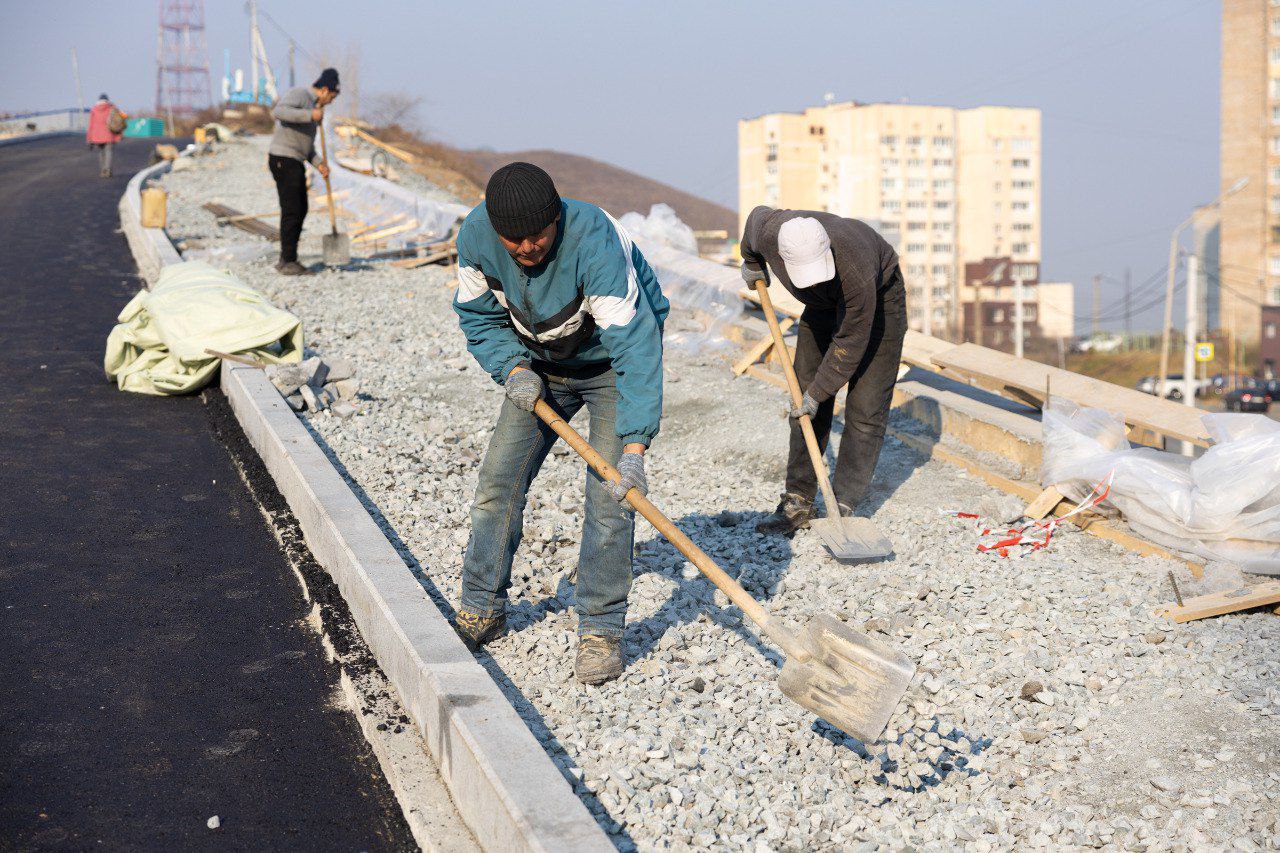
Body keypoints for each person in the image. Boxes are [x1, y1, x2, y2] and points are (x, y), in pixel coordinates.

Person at [451, 162, 669, 685]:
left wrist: (635, 448)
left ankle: (600, 630)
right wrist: (512, 367)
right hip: (538, 366)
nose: (527, 249)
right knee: (497, 483)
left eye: (537, 236)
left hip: (610, 368)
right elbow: (478, 316)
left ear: (556, 218)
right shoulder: (476, 236)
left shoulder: (595, 240)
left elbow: (636, 348)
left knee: (611, 499)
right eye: (514, 241)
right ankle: (482, 605)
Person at [739, 207, 906, 535]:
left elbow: (850, 343)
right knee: (803, 405)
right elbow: (753, 223)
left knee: (866, 406)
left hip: (880, 300)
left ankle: (842, 504)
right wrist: (752, 264)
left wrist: (819, 392)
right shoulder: (769, 231)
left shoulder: (855, 267)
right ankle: (798, 498)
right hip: (821, 304)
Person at [268, 67, 339, 275]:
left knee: (300, 208)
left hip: (295, 160)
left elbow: (306, 148)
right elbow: (279, 112)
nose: (331, 101)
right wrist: (310, 114)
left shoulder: (315, 111)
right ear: (325, 90)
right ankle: (287, 261)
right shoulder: (301, 95)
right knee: (292, 209)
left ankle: (289, 257)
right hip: (283, 158)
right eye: (332, 97)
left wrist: (319, 163)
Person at [86, 94, 125, 178]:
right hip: (109, 135)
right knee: (108, 153)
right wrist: (120, 134)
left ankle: (103, 170)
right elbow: (119, 121)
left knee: (101, 153)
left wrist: (89, 138)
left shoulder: (94, 109)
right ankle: (107, 170)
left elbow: (91, 125)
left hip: (97, 136)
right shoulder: (112, 108)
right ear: (107, 100)